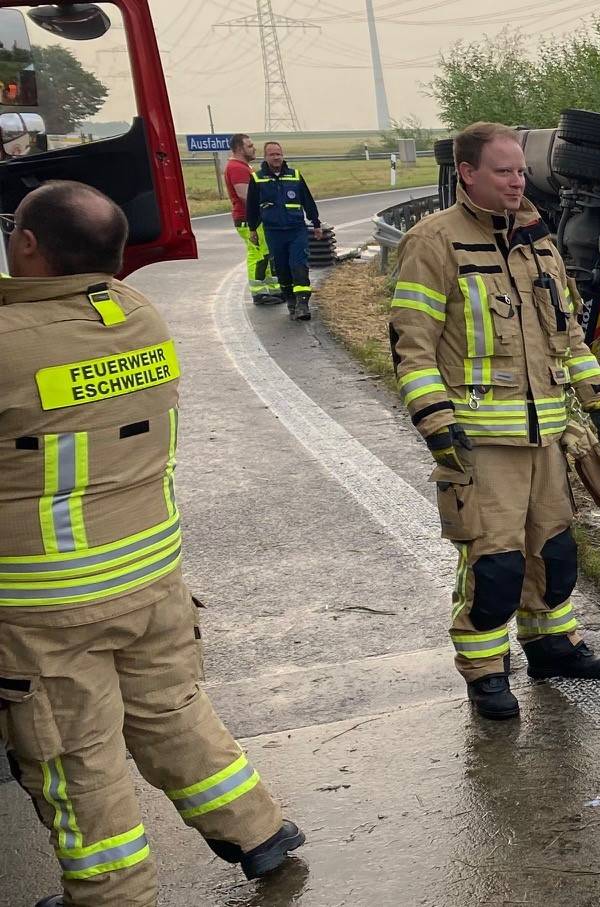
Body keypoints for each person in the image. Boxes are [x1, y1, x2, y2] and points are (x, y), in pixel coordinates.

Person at [0, 181, 304, 907]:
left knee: (75, 755)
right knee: (171, 710)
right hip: (151, 575)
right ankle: (258, 831)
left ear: (32, 245)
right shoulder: (139, 315)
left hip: (50, 599)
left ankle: (112, 894)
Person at [389, 122, 600, 720]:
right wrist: (437, 423)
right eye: (503, 171)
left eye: (520, 170)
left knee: (554, 553)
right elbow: (411, 346)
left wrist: (599, 402)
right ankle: (486, 674)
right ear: (467, 173)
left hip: (545, 435)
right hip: (478, 441)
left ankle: (552, 646)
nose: (518, 180)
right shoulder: (433, 242)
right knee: (495, 566)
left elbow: (568, 333)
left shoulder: (540, 242)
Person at [244, 141, 322, 321]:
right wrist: (252, 229)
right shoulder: (257, 179)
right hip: (273, 232)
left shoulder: (295, 176)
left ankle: (303, 304)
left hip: (296, 230)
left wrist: (316, 223)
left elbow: (308, 201)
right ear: (266, 157)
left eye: (278, 154)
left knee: (299, 266)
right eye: (272, 154)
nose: (276, 157)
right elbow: (252, 207)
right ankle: (291, 301)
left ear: (283, 155)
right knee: (282, 269)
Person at [224, 133, 277, 305]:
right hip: (248, 219)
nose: (254, 149)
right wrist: (266, 205)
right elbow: (244, 195)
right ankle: (259, 293)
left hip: (252, 218)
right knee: (258, 255)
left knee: (266, 254)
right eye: (249, 146)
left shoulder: (243, 166)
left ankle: (273, 289)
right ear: (239, 149)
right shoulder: (237, 168)